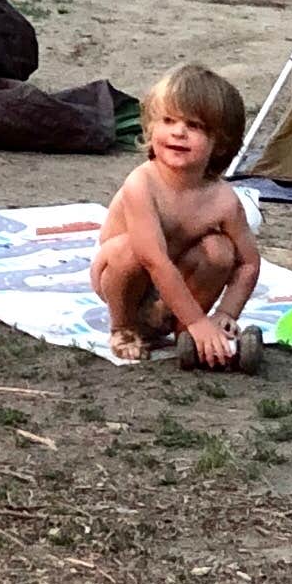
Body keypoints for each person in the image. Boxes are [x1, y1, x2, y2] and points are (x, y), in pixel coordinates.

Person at [94, 63, 260, 368]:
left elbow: (248, 263)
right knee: (128, 250)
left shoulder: (223, 200)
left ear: (219, 142)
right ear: (151, 127)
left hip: (182, 279)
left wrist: (226, 313)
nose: (178, 132)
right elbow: (152, 260)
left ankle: (186, 334)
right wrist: (200, 321)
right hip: (129, 280)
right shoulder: (142, 184)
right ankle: (123, 327)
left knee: (221, 250)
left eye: (194, 125)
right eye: (168, 120)